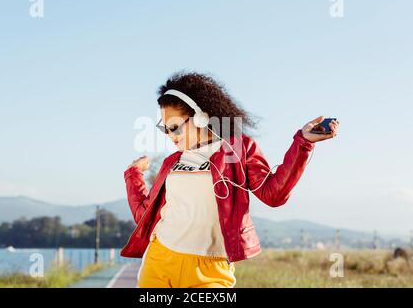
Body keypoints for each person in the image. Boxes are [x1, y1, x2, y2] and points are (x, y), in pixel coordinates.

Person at [121, 72, 339, 288]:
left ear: (201, 117)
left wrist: (303, 143)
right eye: (164, 128)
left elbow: (274, 194)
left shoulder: (237, 149)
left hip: (210, 270)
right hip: (160, 260)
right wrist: (133, 174)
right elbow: (145, 214)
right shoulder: (172, 162)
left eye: (174, 127)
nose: (169, 135)